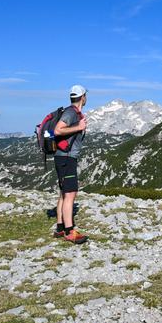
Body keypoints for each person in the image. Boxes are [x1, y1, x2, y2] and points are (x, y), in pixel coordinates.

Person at [52, 85, 89, 244]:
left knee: (64, 192)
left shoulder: (72, 112)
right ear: (83, 97)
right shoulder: (71, 112)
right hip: (67, 158)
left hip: (63, 157)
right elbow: (58, 130)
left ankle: (60, 228)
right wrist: (79, 127)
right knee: (70, 194)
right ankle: (69, 231)